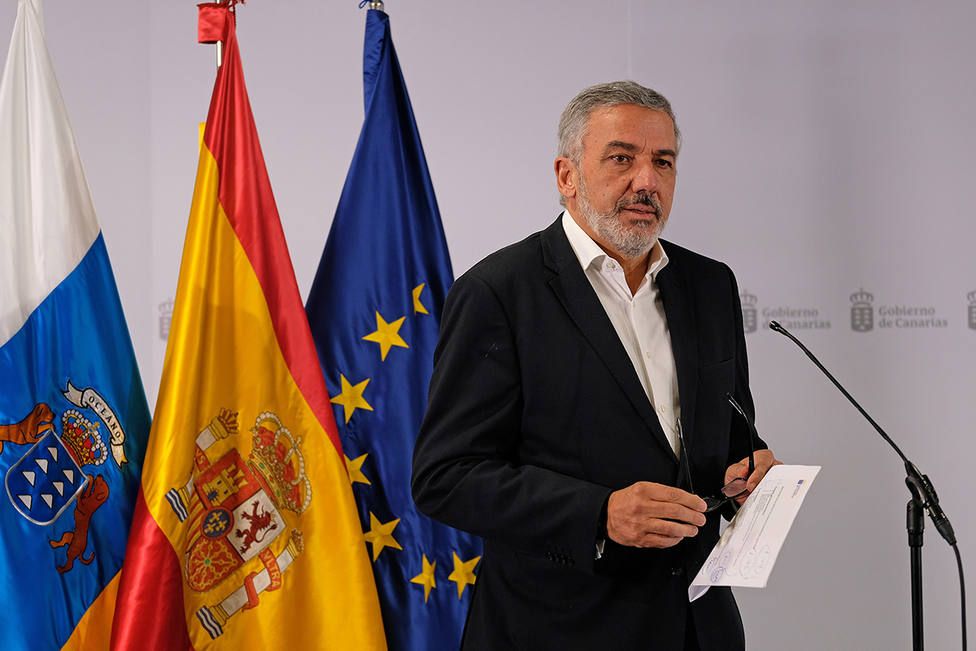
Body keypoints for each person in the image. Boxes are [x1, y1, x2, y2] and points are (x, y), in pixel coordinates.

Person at [412, 81, 780, 651]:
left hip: (698, 629)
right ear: (566, 176)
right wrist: (599, 513)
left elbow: (733, 432)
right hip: (558, 627)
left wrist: (747, 468)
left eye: (663, 162)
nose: (647, 181)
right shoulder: (498, 292)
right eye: (622, 159)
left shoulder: (710, 285)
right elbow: (447, 476)